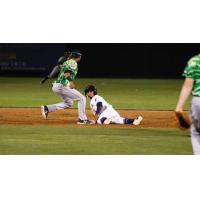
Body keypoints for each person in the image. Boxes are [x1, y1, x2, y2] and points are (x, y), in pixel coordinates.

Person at [41, 51, 95, 125]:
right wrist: (71, 81)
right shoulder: (73, 62)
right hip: (62, 86)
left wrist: (55, 83)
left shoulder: (67, 62)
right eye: (80, 56)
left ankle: (47, 108)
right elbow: (66, 72)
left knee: (69, 103)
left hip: (58, 85)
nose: (80, 57)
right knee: (82, 98)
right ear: (78, 57)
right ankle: (82, 120)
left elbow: (61, 74)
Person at [175, 54, 200, 155]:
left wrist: (179, 107)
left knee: (196, 133)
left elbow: (187, 86)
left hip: (198, 102)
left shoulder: (195, 61)